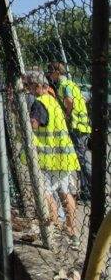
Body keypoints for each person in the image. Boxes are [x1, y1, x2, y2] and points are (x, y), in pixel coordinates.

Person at [24, 70, 80, 244]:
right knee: (64, 192)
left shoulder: (39, 103)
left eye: (29, 86)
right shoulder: (54, 102)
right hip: (63, 156)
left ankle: (53, 226)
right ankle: (71, 228)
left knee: (45, 193)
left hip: (48, 159)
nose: (28, 90)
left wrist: (25, 122)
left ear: (38, 86)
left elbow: (33, 126)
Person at [47, 61, 92, 200]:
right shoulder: (70, 84)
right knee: (81, 159)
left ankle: (90, 190)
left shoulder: (65, 85)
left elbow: (70, 101)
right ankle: (87, 190)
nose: (49, 76)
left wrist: (66, 115)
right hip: (81, 125)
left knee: (81, 160)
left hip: (76, 126)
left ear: (57, 72)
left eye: (50, 72)